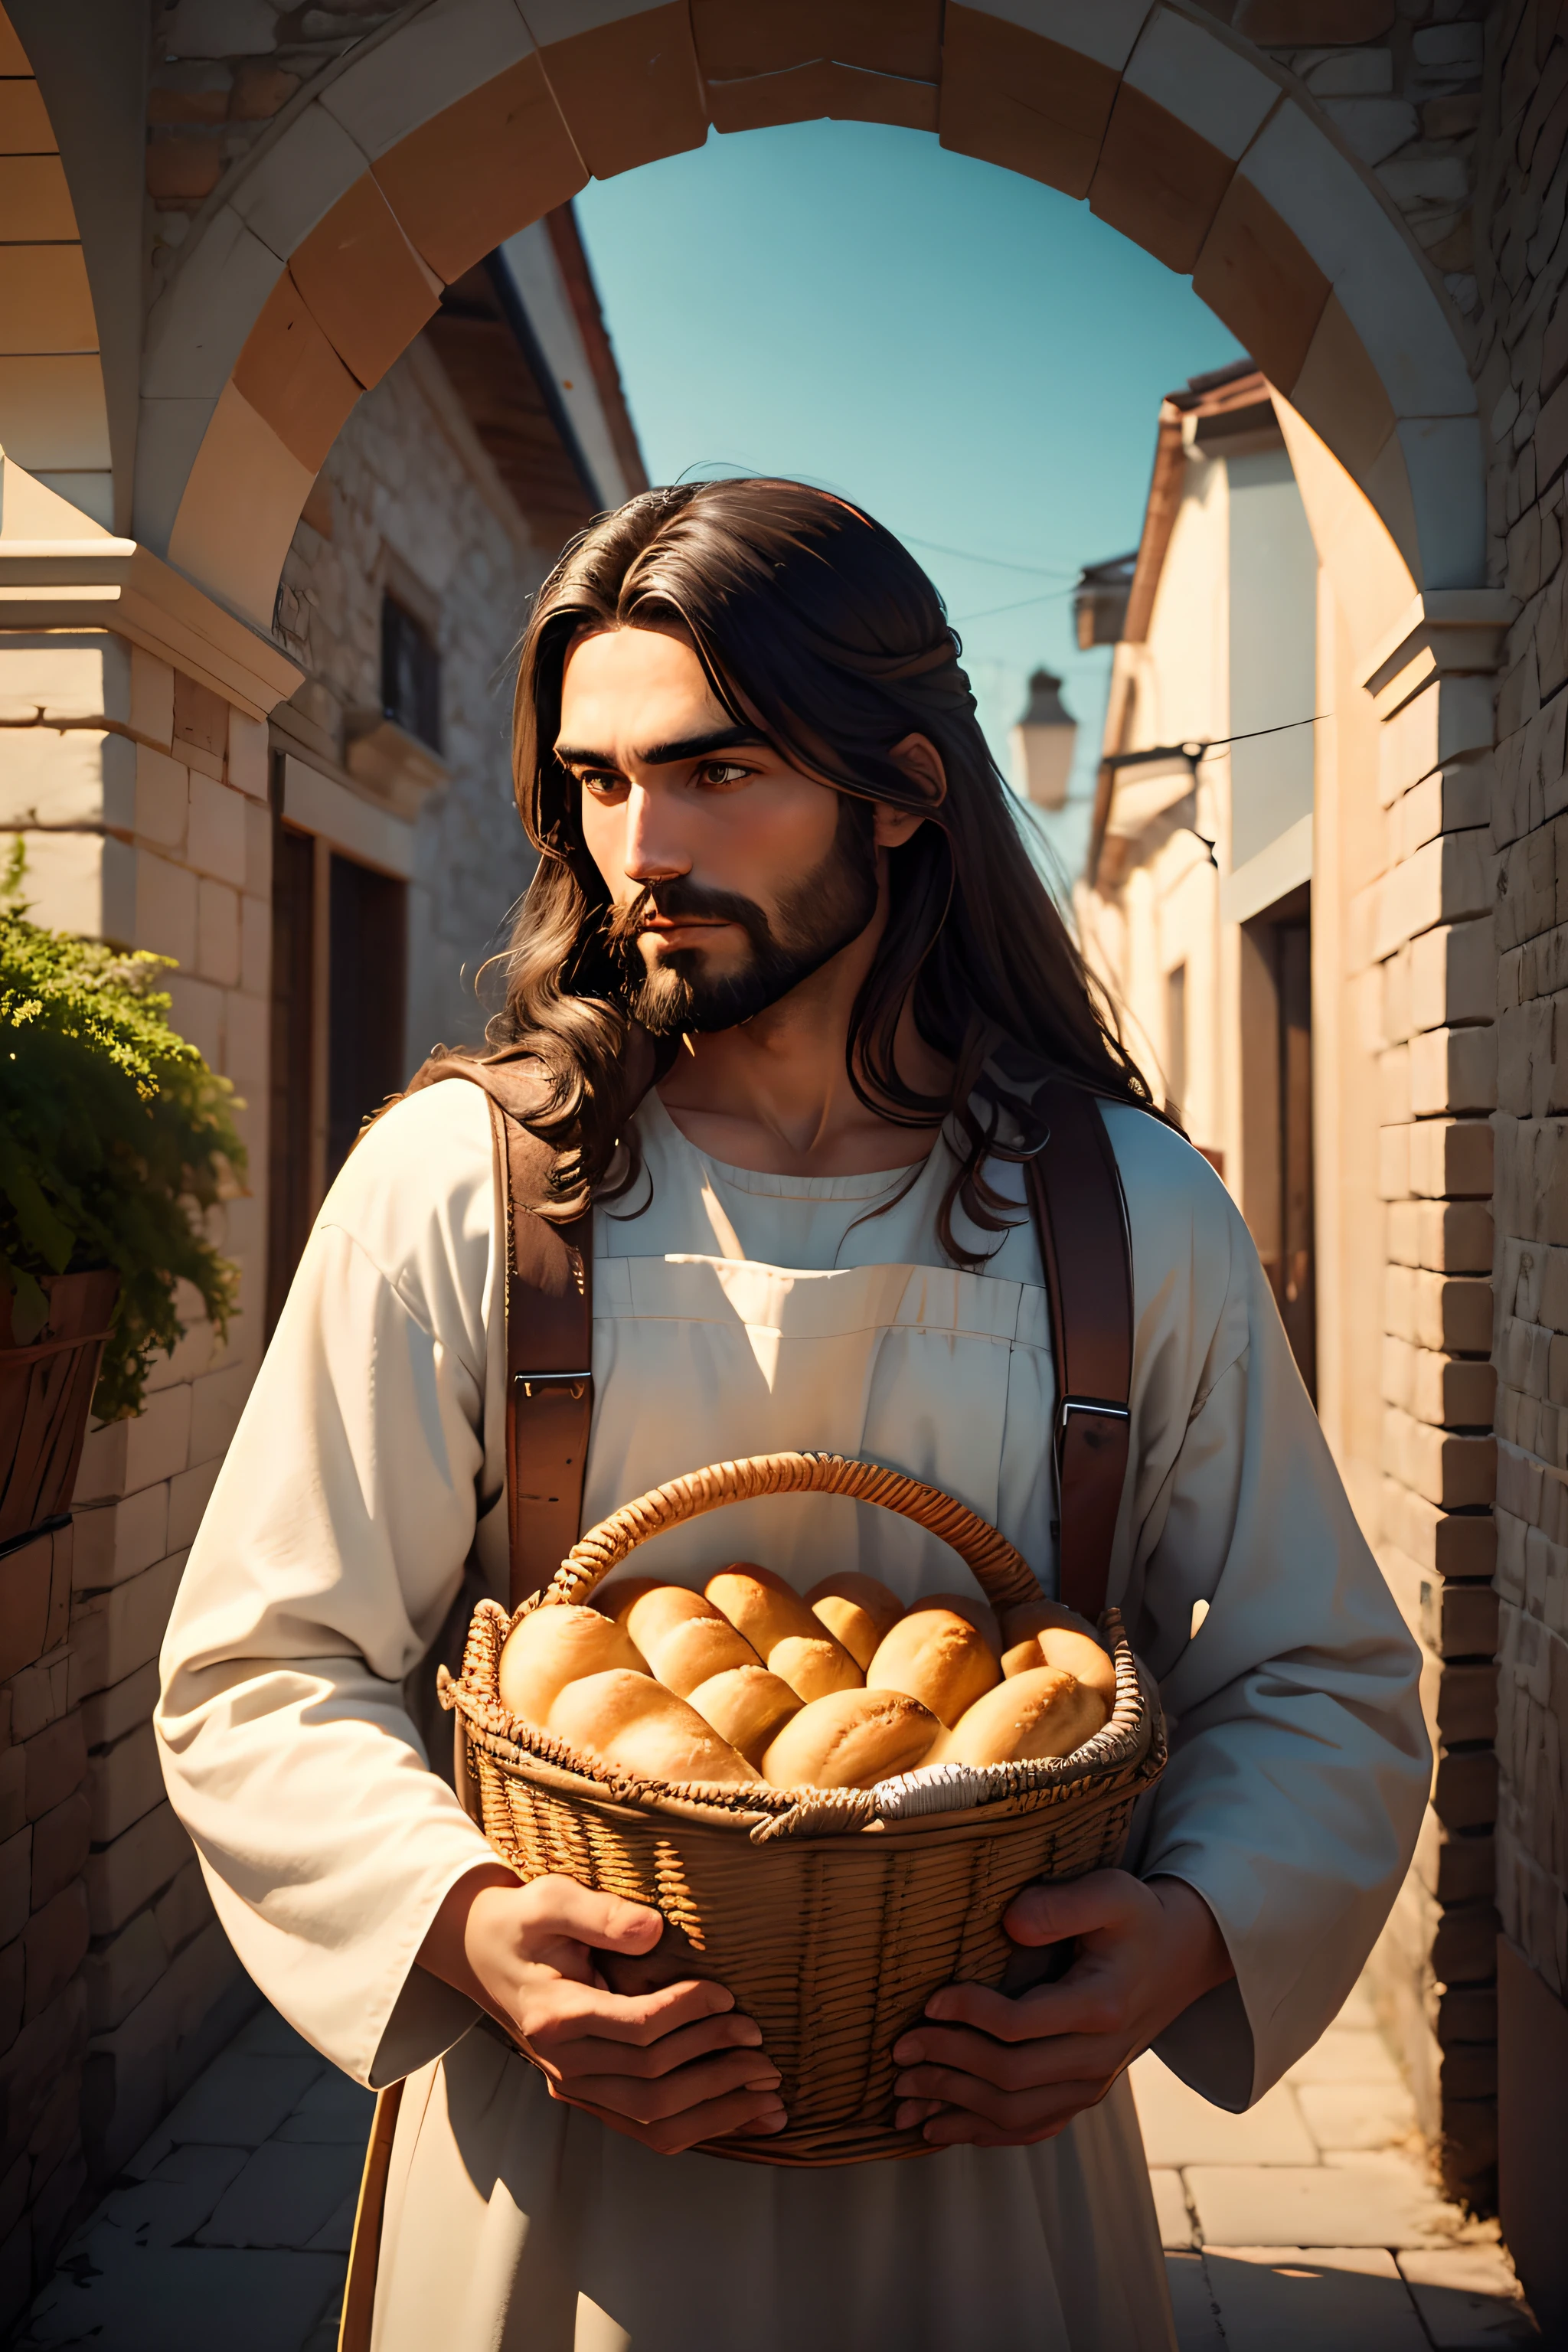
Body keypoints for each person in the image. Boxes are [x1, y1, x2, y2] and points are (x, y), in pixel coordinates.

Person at [157, 480, 1429, 2351]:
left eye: (715, 769)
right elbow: (258, 1667)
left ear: (902, 788)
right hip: (554, 2182)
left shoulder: (1133, 1209)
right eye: (594, 782)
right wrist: (457, 1923)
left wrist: (1184, 1940)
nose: (638, 846)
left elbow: (1322, 1676)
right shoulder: (460, 1189)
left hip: (986, 2184)